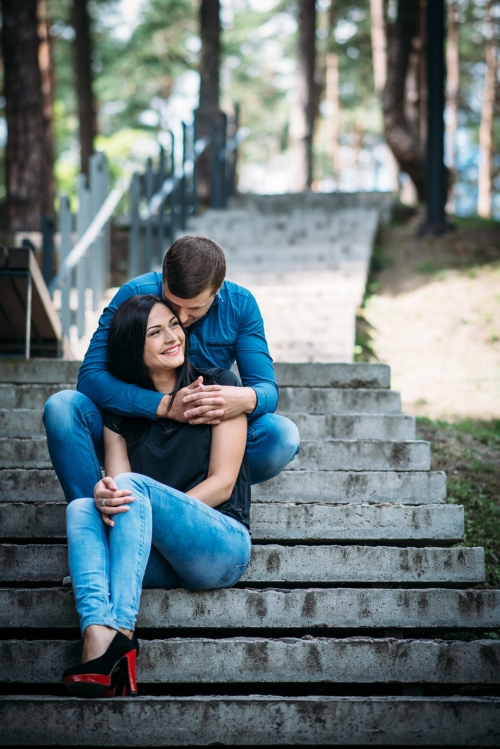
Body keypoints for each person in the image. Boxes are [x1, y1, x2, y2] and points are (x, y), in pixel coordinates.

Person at [62, 294, 252, 697]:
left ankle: (122, 633)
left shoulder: (220, 385)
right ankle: (96, 638)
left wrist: (150, 508)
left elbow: (222, 484)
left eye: (174, 325)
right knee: (83, 507)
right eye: (155, 332)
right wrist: (102, 494)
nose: (172, 336)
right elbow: (119, 494)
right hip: (154, 556)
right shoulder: (120, 411)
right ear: (134, 347)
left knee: (132, 490)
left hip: (219, 545)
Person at [44, 235, 300, 503]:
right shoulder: (134, 293)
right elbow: (90, 378)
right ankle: (97, 518)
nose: (181, 317)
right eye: (172, 302)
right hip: (133, 436)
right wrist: (165, 406)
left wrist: (244, 398)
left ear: (218, 289)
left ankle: (188, 504)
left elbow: (267, 389)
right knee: (62, 407)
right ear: (163, 278)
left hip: (199, 442)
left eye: (195, 308)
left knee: (280, 436)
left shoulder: (241, 305)